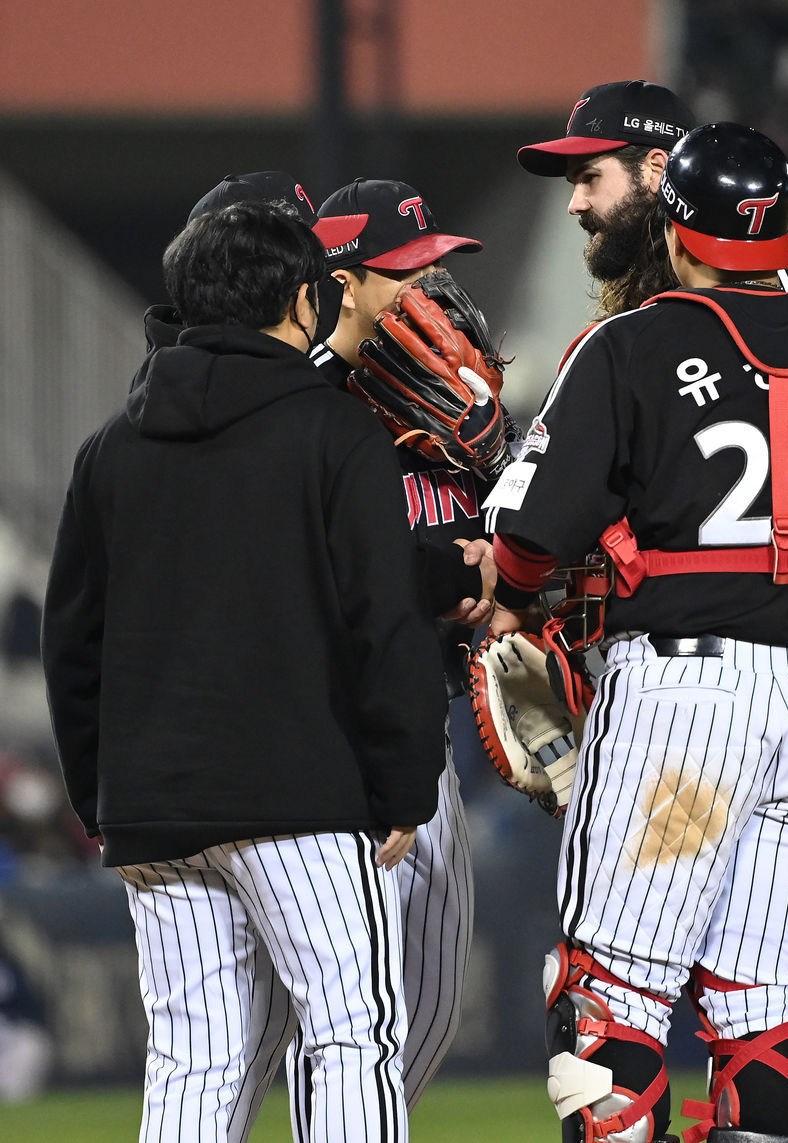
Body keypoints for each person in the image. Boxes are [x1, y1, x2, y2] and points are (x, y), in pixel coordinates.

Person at [484, 123, 788, 1143]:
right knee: (763, 1007)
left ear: (674, 232)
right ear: (784, 231)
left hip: (685, 713)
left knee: (611, 994)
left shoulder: (633, 343)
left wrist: (520, 594)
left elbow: (529, 537)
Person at [41, 200, 448, 1143]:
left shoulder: (110, 448)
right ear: (305, 299)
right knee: (349, 1038)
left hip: (156, 810)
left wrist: (105, 799)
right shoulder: (334, 434)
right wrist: (404, 781)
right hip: (301, 805)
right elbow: (382, 623)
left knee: (195, 1060)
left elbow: (73, 647)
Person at [273, 176, 508, 1129]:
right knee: (344, 1019)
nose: (426, 287)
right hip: (329, 734)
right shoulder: (296, 407)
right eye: (401, 270)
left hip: (424, 722)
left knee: (432, 1008)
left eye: (430, 264)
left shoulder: (452, 406)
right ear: (340, 279)